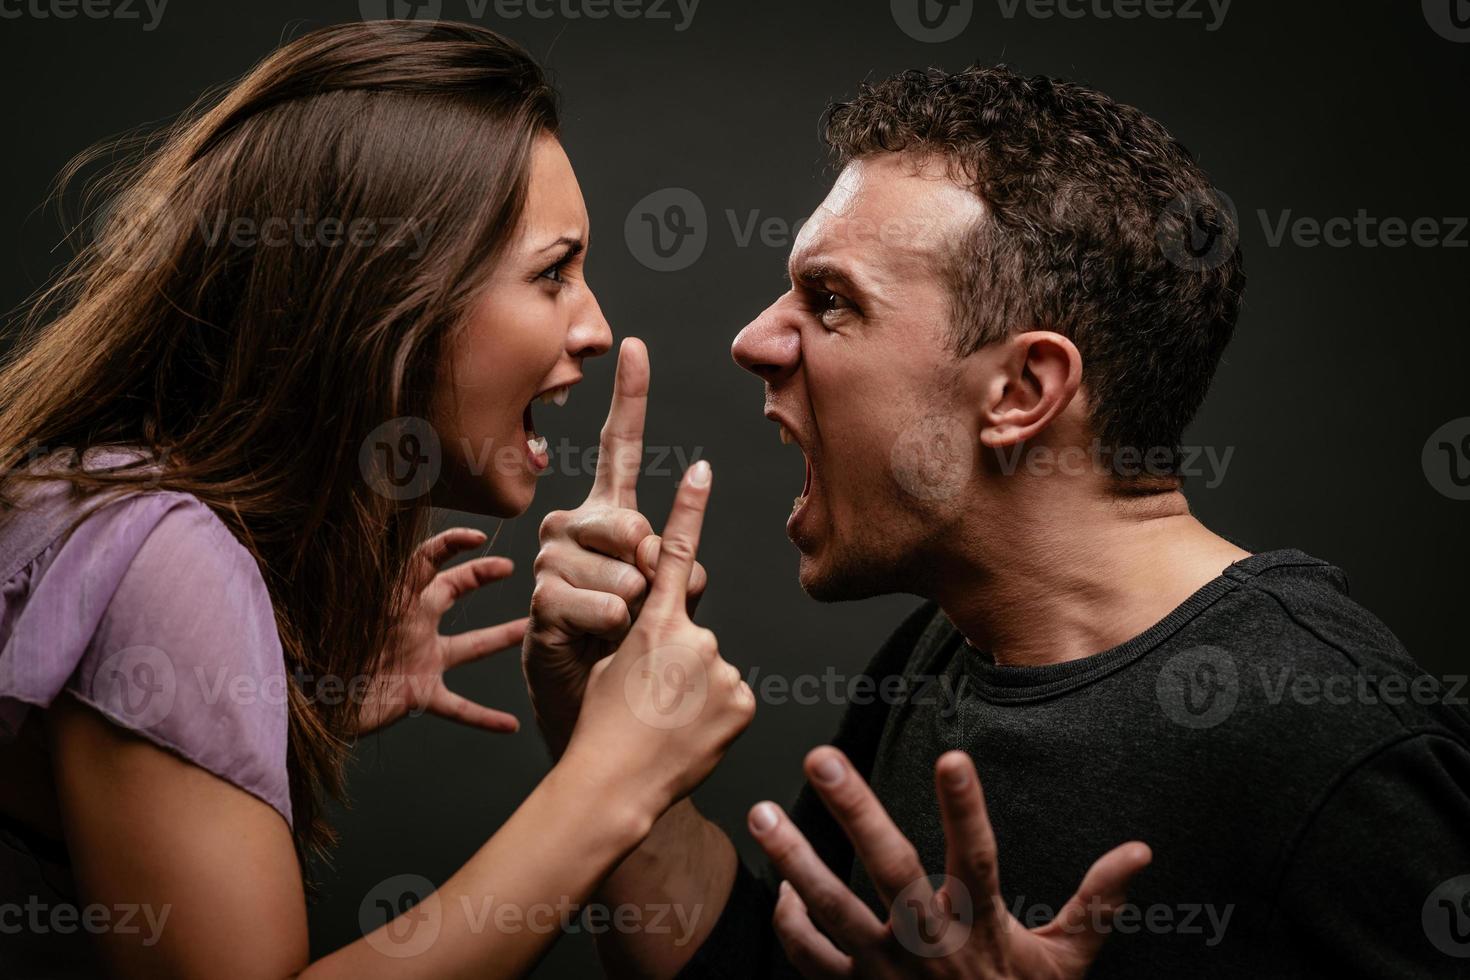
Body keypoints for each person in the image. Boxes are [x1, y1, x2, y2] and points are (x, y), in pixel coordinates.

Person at [522, 66, 1470, 976]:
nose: (753, 340)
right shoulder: (940, 650)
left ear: (1022, 390)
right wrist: (598, 729)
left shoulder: (1328, 736)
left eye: (831, 301)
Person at [0, 21, 753, 978]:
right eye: (553, 273)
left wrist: (280, 698)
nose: (597, 326)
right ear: (387, 298)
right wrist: (617, 774)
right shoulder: (157, 553)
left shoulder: (86, 493)